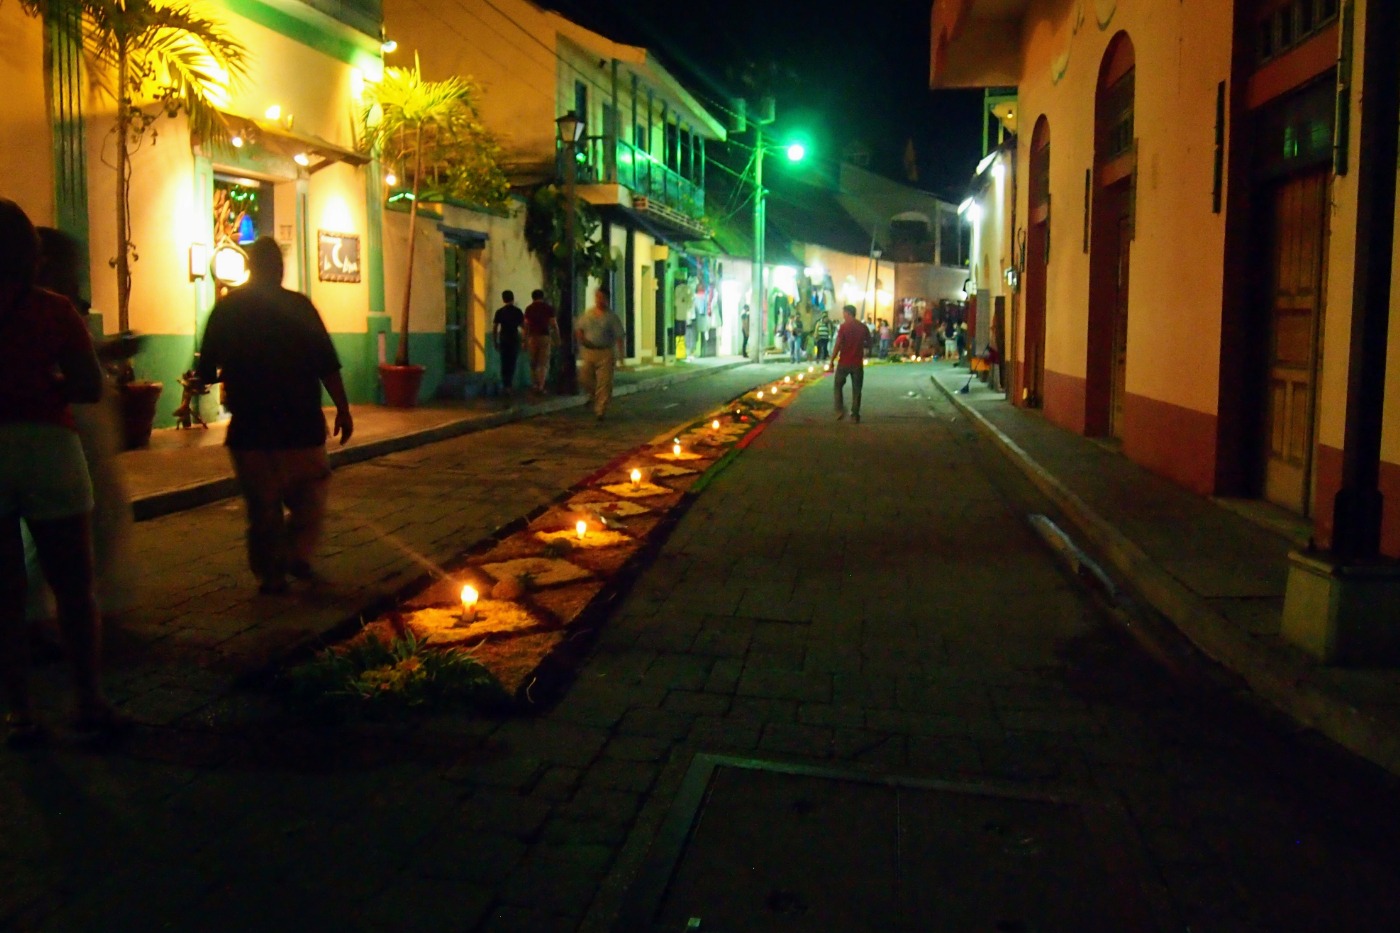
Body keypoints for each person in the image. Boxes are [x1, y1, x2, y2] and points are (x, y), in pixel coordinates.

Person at [0, 198, 122, 746]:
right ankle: (88, 699)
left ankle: (20, 712)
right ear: (33, 255)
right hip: (50, 448)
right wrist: (44, 384)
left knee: (5, 592)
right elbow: (89, 387)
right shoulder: (54, 310)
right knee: (73, 584)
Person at [197, 237, 353, 595]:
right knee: (310, 495)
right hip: (299, 424)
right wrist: (343, 409)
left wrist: (220, 374)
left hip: (250, 427)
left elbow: (205, 368)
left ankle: (271, 575)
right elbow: (326, 364)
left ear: (251, 267)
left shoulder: (227, 310)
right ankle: (297, 554)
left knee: (262, 505)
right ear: (279, 269)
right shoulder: (299, 307)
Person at [575, 286, 625, 420]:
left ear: (607, 299)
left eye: (602, 298)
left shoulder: (612, 317)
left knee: (604, 382)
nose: (599, 300)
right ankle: (593, 396)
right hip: (589, 351)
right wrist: (581, 340)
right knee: (584, 378)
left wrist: (621, 357)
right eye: (597, 297)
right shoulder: (588, 314)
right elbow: (579, 329)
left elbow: (619, 337)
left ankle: (600, 410)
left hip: (605, 351)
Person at [831, 304, 870, 423]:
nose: (843, 315)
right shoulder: (863, 327)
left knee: (838, 386)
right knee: (857, 389)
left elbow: (838, 344)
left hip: (844, 362)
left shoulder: (844, 327)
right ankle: (855, 414)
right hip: (857, 363)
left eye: (844, 313)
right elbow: (869, 342)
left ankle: (839, 410)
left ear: (847, 313)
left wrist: (832, 360)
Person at [522, 288, 558, 393]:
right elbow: (553, 324)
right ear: (542, 297)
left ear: (532, 297)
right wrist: (557, 338)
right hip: (544, 337)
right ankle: (541, 386)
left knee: (533, 362)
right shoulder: (548, 308)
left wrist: (524, 340)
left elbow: (526, 325)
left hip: (532, 337)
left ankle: (534, 384)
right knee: (543, 363)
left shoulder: (529, 309)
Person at [492, 290, 525, 396]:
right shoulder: (517, 311)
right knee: (512, 362)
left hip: (503, 339)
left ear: (503, 299)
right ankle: (509, 386)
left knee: (504, 362)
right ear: (513, 298)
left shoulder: (500, 312)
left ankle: (506, 385)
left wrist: (495, 341)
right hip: (514, 339)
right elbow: (524, 326)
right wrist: (525, 339)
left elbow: (495, 328)